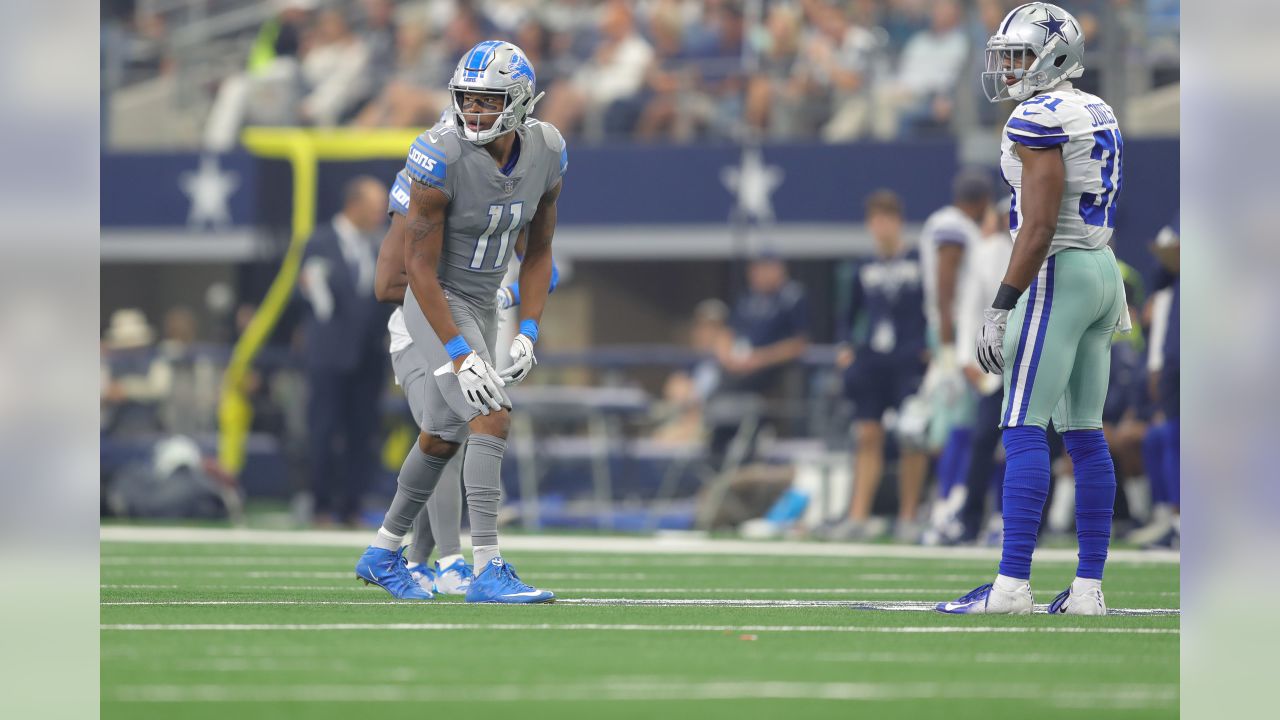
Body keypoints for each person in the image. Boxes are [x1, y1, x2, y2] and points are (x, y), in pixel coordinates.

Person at [354, 41, 564, 603]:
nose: (473, 111)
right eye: (466, 99)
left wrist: (528, 330)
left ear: (520, 104)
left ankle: (382, 551)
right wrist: (458, 350)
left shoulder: (546, 149)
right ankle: (484, 566)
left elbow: (541, 251)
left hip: (485, 300)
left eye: (487, 101)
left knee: (443, 434)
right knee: (491, 415)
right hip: (436, 298)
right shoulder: (438, 154)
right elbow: (415, 271)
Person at [939, 3, 1127, 615]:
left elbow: (1040, 224)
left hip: (1059, 273)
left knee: (1023, 427)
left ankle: (1013, 585)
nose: (1010, 68)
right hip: (1101, 270)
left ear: (1055, 55)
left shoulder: (1039, 115)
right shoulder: (1095, 108)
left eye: (1019, 55)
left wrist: (999, 306)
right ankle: (1088, 591)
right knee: (1086, 434)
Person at [824, 190, 928, 542]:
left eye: (887, 218)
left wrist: (928, 347)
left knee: (912, 435)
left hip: (908, 356)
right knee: (867, 433)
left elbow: (934, 304)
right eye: (875, 219)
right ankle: (858, 514)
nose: (881, 226)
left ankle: (909, 514)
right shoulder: (862, 266)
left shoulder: (918, 261)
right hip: (872, 357)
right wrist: (846, 349)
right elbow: (848, 312)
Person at [298, 176, 392, 527]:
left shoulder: (379, 245)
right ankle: (321, 504)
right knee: (323, 430)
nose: (381, 214)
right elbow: (316, 299)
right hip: (328, 355)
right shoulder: (320, 242)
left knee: (363, 432)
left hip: (369, 355)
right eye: (375, 207)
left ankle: (352, 505)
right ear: (354, 206)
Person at [918, 170, 992, 543]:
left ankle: (946, 504)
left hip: (948, 330)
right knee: (959, 425)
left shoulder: (941, 220)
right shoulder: (956, 226)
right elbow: (946, 278)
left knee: (954, 423)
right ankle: (948, 507)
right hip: (953, 333)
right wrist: (948, 336)